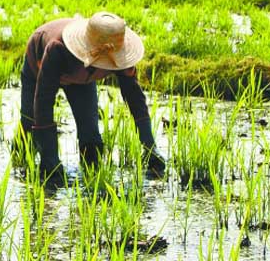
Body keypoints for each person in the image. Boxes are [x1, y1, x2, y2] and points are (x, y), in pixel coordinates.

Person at [19, 11, 165, 185]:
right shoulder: (57, 48)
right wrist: (50, 158)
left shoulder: (119, 54)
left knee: (91, 136)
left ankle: (91, 180)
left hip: (82, 78)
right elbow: (44, 100)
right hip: (39, 65)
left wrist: (149, 146)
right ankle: (21, 164)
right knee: (30, 122)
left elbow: (135, 98)